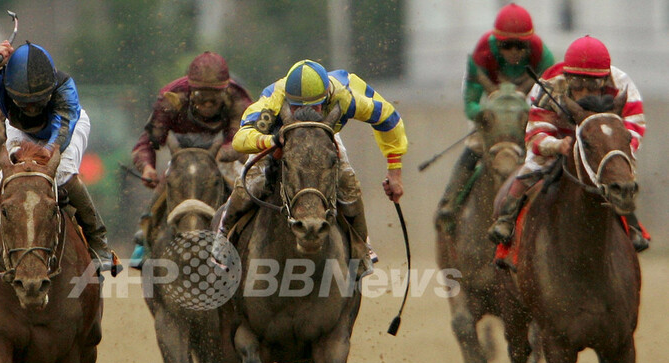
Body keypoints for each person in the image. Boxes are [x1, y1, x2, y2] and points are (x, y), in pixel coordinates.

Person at [0, 40, 122, 274]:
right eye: (24, 102)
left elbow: (63, 128)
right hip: (20, 129)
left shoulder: (64, 86)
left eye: (38, 102)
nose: (32, 109)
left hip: (65, 129)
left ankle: (98, 241)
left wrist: (50, 149)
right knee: (11, 173)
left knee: (63, 173)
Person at [214, 59, 408, 269]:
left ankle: (360, 246)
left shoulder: (346, 96)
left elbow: (389, 118)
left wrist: (394, 170)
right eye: (296, 107)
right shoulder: (274, 97)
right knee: (249, 183)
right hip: (279, 138)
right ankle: (224, 234)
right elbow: (241, 139)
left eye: (314, 106)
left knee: (348, 183)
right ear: (287, 99)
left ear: (326, 98)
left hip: (323, 138)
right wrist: (270, 140)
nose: (304, 111)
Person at [487, 35, 649, 252]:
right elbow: (536, 134)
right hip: (561, 137)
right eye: (577, 84)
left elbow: (634, 126)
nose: (584, 92)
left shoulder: (622, 85)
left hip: (603, 143)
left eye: (593, 85)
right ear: (567, 77)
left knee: (617, 177)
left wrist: (613, 148)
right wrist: (558, 145)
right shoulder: (547, 86)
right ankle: (506, 218)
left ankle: (633, 226)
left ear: (605, 79)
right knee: (534, 166)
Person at [127, 51, 253, 269]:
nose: (207, 104)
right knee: (166, 187)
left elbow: (241, 140)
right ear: (189, 90)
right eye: (200, 96)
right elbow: (147, 142)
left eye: (214, 97)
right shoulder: (170, 98)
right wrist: (148, 168)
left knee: (245, 192)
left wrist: (218, 154)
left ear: (225, 90)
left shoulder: (238, 98)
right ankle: (145, 238)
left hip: (222, 153)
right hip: (182, 152)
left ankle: (248, 242)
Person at [436, 3, 555, 225]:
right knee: (473, 147)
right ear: (497, 43)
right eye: (507, 46)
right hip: (493, 120)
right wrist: (484, 114)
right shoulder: (481, 55)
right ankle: (450, 203)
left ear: (529, 44)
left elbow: (550, 103)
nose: (514, 53)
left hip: (527, 119)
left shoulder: (544, 57)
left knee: (550, 154)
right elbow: (470, 104)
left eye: (520, 46)